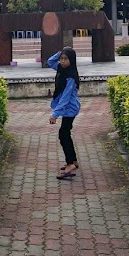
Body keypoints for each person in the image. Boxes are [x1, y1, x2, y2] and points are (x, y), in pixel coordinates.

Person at [47, 47, 81, 180]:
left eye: (65, 59)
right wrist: (60, 52)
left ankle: (70, 163)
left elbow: (65, 98)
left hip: (70, 108)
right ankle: (73, 161)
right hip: (66, 108)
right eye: (61, 59)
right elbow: (50, 62)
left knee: (63, 135)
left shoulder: (71, 77)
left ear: (71, 60)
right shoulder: (61, 69)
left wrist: (54, 115)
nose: (62, 61)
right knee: (65, 134)